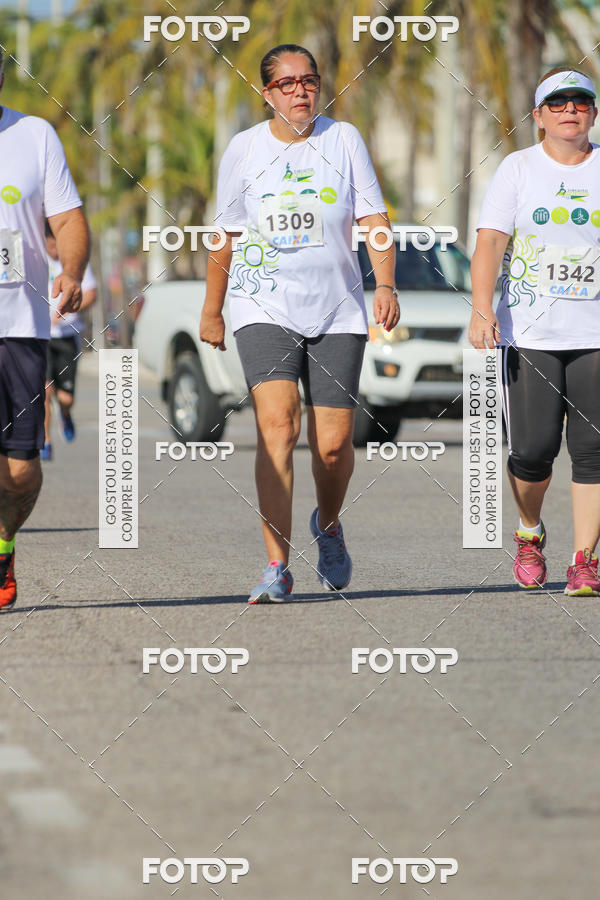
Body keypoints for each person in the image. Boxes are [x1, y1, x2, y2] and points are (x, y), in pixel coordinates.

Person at [200, 44, 398, 603]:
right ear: (267, 93)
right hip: (263, 304)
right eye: (286, 84)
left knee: (333, 446)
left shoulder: (343, 140)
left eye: (307, 81)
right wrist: (213, 308)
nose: (300, 91)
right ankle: (276, 563)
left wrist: (385, 282)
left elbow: (373, 218)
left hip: (338, 307)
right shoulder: (244, 150)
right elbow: (225, 235)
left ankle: (328, 523)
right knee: (277, 426)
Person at [469, 66, 600, 596]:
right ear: (539, 116)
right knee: (532, 450)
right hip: (531, 335)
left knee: (593, 448)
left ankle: (584, 560)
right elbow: (490, 243)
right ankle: (529, 532)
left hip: (595, 334)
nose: (571, 110)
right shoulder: (519, 169)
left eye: (581, 102)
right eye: (559, 103)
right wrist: (482, 310)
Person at [0, 49, 90, 609]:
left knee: (21, 469)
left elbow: (68, 219)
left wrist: (73, 271)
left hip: (19, 324)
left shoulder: (34, 135)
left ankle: (3, 543)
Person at [42, 220, 97, 461]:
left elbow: (92, 294)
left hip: (67, 337)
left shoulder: (74, 263)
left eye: (57, 244)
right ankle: (45, 442)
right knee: (43, 391)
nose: (54, 249)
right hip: (41, 338)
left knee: (66, 397)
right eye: (51, 244)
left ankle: (65, 414)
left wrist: (67, 308)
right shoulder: (36, 261)